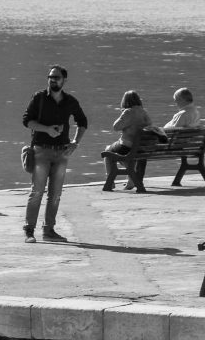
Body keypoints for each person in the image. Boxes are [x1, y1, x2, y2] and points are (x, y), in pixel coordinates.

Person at [22, 64, 88, 243]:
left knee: (56, 194)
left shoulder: (70, 101)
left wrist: (75, 143)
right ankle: (29, 231)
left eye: (56, 77)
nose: (52, 80)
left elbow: (83, 122)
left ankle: (49, 231)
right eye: (50, 77)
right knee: (37, 192)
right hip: (41, 151)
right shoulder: (39, 98)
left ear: (64, 80)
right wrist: (47, 129)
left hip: (61, 153)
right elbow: (27, 121)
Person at [102, 90, 152, 192]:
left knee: (108, 151)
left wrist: (122, 115)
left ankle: (110, 182)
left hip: (127, 145)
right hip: (140, 147)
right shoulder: (144, 112)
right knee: (126, 157)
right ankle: (131, 179)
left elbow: (116, 127)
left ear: (125, 101)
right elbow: (150, 125)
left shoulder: (128, 112)